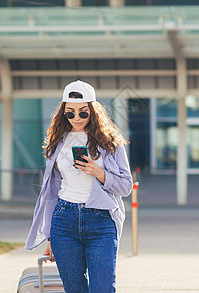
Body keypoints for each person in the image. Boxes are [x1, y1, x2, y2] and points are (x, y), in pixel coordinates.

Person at [25, 80, 133, 292]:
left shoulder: (110, 142)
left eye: (83, 113)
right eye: (70, 113)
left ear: (93, 111)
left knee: (103, 288)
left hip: (101, 222)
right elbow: (51, 193)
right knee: (74, 289)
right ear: (63, 113)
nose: (76, 118)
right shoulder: (57, 142)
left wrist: (99, 173)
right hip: (64, 222)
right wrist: (50, 236)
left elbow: (126, 186)